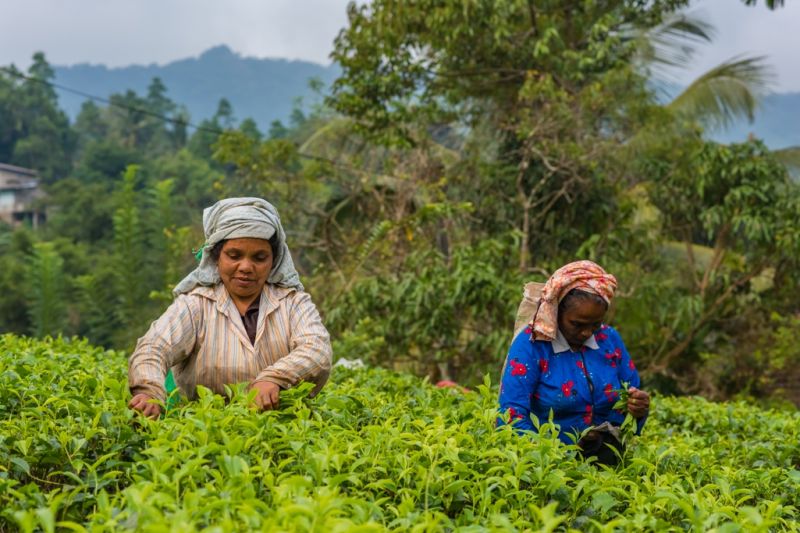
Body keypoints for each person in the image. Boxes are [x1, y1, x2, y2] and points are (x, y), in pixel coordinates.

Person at [128, 197, 332, 418]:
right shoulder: (195, 305)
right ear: (216, 258)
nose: (245, 267)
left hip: (284, 429)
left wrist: (274, 378)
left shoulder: (293, 303)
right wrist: (149, 391)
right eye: (234, 256)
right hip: (205, 430)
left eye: (259, 257)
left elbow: (317, 349)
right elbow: (153, 348)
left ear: (274, 260)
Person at [497, 260, 650, 461]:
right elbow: (510, 418)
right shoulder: (531, 345)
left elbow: (630, 399)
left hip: (607, 461)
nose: (586, 332)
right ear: (556, 311)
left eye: (595, 324)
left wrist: (638, 409)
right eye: (577, 324)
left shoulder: (609, 340)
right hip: (546, 466)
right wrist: (560, 455)